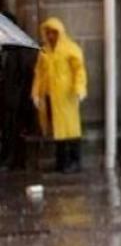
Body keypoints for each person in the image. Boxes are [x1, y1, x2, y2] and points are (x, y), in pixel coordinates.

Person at [31, 17, 87, 173]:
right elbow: (39, 74)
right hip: (51, 96)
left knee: (71, 129)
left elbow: (79, 71)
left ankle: (75, 161)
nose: (50, 36)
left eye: (53, 33)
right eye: (48, 33)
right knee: (57, 130)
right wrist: (36, 93)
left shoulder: (71, 49)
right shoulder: (44, 52)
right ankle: (62, 161)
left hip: (67, 96)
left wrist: (79, 88)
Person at [0, 12, 39, 171]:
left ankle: (14, 161)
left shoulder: (23, 51)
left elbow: (26, 75)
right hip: (5, 98)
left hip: (17, 100)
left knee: (15, 131)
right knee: (7, 131)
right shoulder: (5, 49)